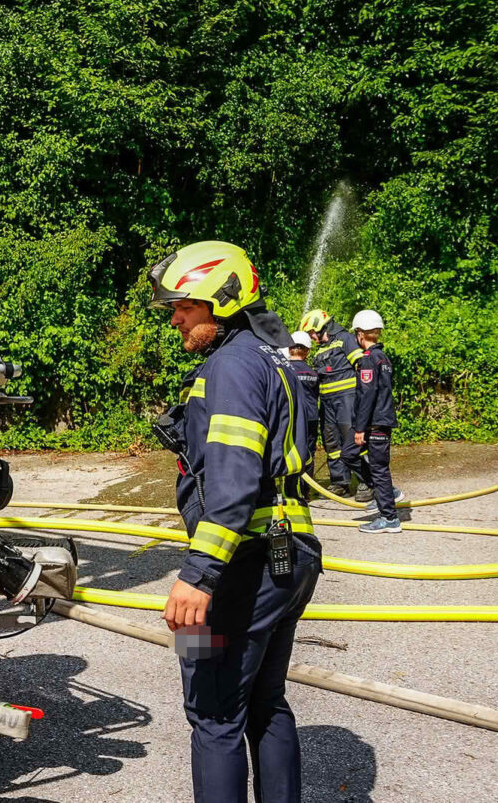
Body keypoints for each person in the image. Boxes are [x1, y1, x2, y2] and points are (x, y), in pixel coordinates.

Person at [149, 241, 321, 803]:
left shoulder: (229, 367)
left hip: (241, 560)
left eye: (184, 307)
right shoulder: (276, 358)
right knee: (265, 702)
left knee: (214, 711)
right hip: (288, 551)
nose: (174, 318)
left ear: (220, 300)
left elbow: (233, 479)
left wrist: (198, 574)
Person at [300, 309, 368, 500]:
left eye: (312, 332)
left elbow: (361, 365)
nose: (311, 337)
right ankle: (340, 483)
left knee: (353, 439)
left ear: (322, 326)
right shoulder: (320, 348)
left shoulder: (345, 339)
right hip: (327, 402)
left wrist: (366, 395)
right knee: (332, 443)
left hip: (347, 398)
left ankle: (366, 482)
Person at [352, 310, 404, 534]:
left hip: (374, 423)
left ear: (361, 334)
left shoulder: (369, 360)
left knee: (379, 469)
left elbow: (367, 395)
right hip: (381, 421)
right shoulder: (384, 358)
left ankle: (389, 518)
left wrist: (360, 428)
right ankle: (385, 494)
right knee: (351, 455)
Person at [285, 331, 320, 477]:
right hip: (311, 416)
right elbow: (316, 394)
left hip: (292, 417)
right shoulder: (313, 373)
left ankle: (292, 487)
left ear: (289, 349)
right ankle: (306, 490)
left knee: (291, 451)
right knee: (309, 451)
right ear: (307, 351)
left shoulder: (284, 370)